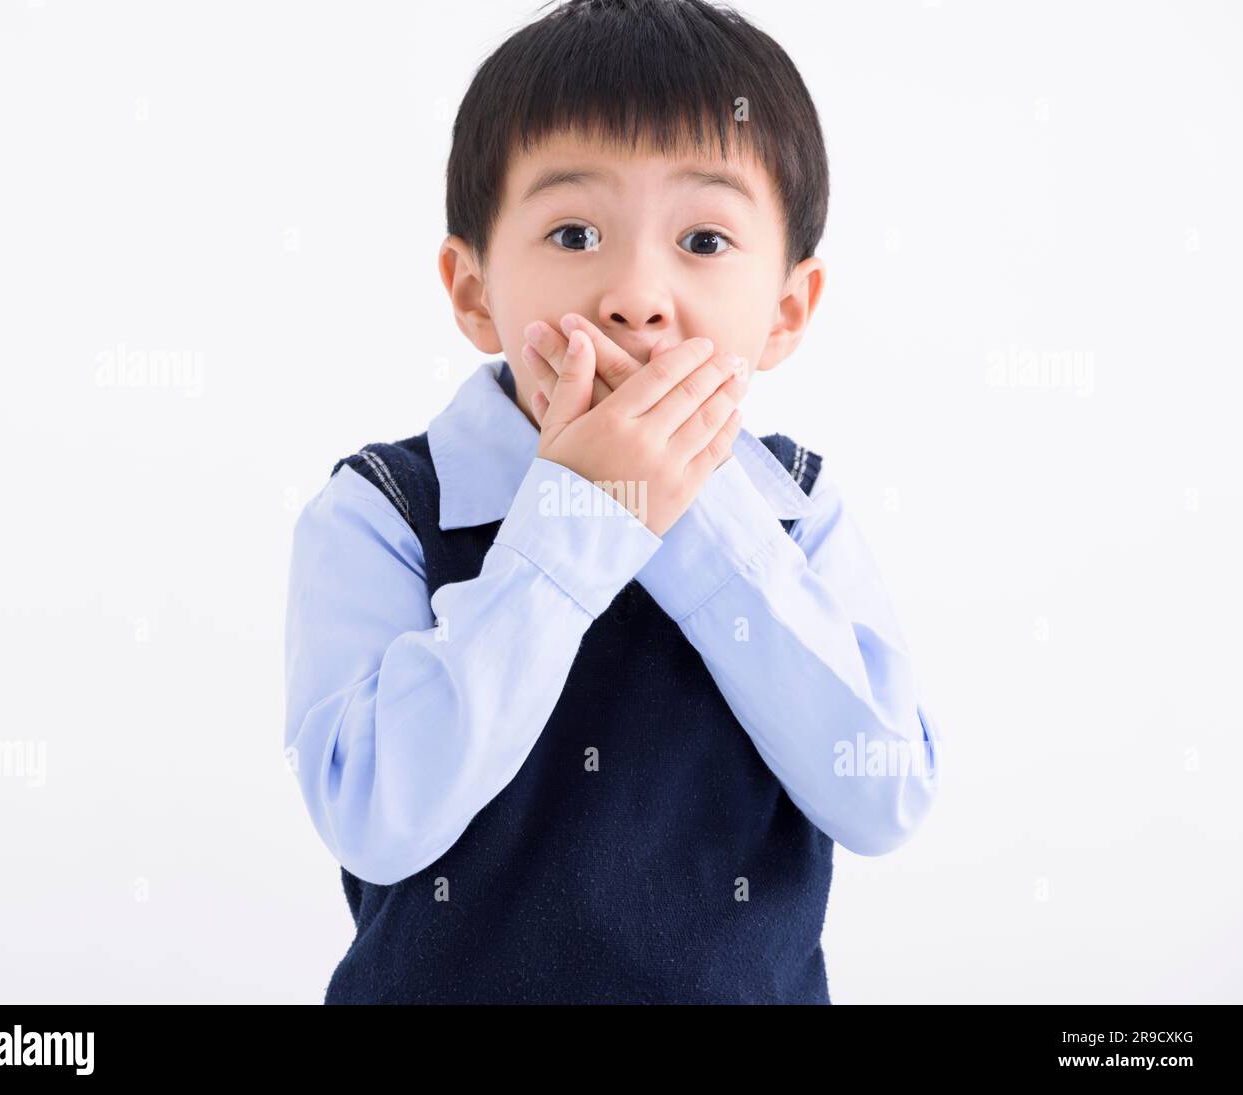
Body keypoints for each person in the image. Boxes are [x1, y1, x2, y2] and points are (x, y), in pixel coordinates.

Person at [284, 0, 941, 1004]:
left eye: (705, 239)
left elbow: (883, 793)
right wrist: (579, 520)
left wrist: (691, 513)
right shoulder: (382, 510)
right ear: (471, 293)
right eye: (575, 231)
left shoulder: (796, 511)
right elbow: (378, 815)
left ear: (787, 310)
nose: (635, 293)